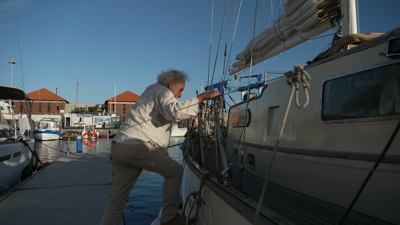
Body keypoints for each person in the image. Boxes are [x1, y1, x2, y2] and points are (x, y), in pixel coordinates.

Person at [100, 69, 220, 225]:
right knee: (175, 172)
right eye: (180, 90)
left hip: (120, 147)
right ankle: (169, 219)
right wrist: (202, 97)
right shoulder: (162, 92)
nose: (180, 95)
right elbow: (175, 112)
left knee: (117, 200)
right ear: (171, 84)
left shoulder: (151, 91)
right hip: (137, 147)